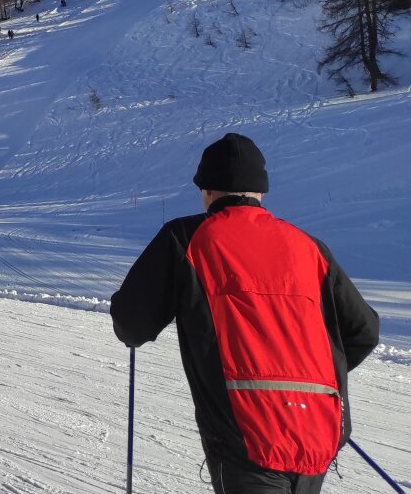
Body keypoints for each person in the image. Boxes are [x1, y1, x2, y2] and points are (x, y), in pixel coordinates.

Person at [111, 134, 378, 493]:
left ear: (206, 190)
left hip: (244, 435)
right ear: (260, 192)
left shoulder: (187, 237)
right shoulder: (309, 246)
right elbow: (363, 331)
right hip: (317, 427)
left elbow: (132, 324)